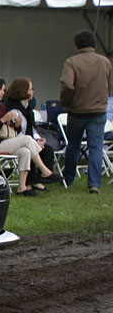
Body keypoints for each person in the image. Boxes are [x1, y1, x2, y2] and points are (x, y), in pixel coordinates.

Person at [0, 76, 59, 196]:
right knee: (27, 139)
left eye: (3, 90)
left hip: (5, 141)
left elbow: (14, 129)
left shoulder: (2, 107)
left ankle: (22, 187)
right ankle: (44, 171)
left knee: (25, 151)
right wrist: (3, 119)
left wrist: (17, 125)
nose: (2, 93)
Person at [60, 30, 113, 194]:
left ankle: (68, 179)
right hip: (98, 111)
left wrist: (66, 102)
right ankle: (94, 184)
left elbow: (68, 85)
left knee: (74, 146)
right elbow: (109, 86)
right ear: (93, 44)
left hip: (77, 111)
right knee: (96, 147)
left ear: (77, 45)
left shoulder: (71, 62)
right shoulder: (105, 62)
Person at [4, 77, 57, 190]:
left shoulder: (28, 108)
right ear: (22, 90)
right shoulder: (12, 109)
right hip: (15, 140)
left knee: (47, 149)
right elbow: (15, 132)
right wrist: (34, 142)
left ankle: (39, 179)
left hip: (28, 139)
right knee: (30, 148)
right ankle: (41, 175)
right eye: (30, 89)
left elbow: (32, 127)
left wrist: (38, 139)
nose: (33, 91)